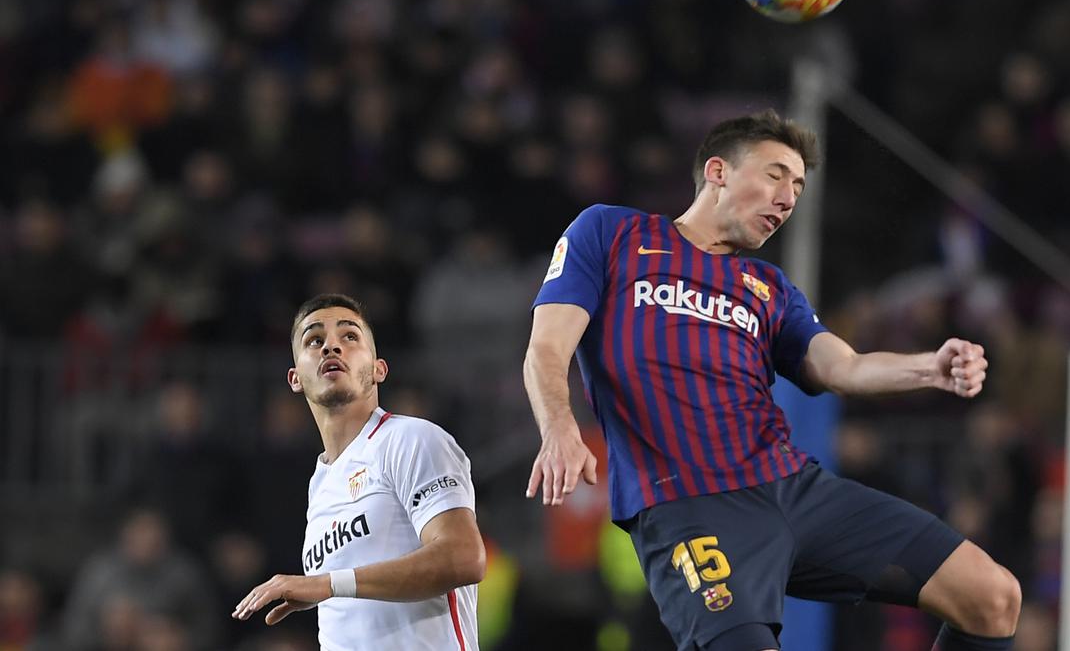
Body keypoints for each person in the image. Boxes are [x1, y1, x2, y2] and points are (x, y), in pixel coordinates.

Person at [524, 110, 1020, 651]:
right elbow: (548, 346)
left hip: (793, 489)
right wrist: (559, 427)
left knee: (992, 596)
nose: (789, 197)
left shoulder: (768, 287)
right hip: (689, 507)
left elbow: (843, 366)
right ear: (718, 171)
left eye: (799, 185)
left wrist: (929, 367)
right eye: (776, 174)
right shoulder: (612, 233)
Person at [233, 293, 485, 650]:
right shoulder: (319, 485)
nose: (331, 346)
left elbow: (463, 557)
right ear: (295, 378)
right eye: (314, 340)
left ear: (379, 368)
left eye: (349, 337)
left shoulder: (410, 439)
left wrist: (328, 584)